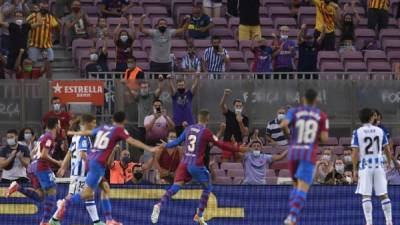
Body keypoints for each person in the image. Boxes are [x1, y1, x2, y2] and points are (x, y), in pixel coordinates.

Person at [51, 112, 157, 225]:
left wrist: (73, 132)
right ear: (124, 121)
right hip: (96, 164)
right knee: (86, 193)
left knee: (105, 188)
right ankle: (64, 204)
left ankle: (108, 220)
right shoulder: (118, 130)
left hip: (92, 163)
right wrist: (150, 149)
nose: (94, 124)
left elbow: (89, 133)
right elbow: (133, 141)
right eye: (93, 122)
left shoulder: (104, 128)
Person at [150, 109, 248, 225]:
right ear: (208, 119)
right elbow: (221, 145)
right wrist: (239, 149)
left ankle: (159, 204)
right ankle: (199, 215)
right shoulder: (206, 132)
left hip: (184, 164)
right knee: (208, 188)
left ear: (198, 118)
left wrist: (167, 144)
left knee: (176, 186)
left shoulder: (188, 128)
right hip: (196, 165)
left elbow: (177, 142)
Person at [280, 88, 329, 225]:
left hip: (294, 152)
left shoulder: (294, 111)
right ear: (316, 100)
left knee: (296, 186)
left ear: (303, 99)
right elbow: (325, 139)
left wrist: (290, 133)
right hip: (308, 153)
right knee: (303, 187)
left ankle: (292, 217)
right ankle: (292, 217)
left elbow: (283, 124)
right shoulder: (322, 116)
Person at [5, 118, 62, 225]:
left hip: (32, 167)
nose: (60, 126)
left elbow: (32, 154)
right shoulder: (49, 136)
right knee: (52, 191)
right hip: (42, 167)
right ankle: (45, 222)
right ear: (55, 126)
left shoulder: (42, 137)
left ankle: (17, 187)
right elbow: (44, 155)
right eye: (59, 124)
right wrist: (58, 163)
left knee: (40, 196)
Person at [351, 108, 395, 225]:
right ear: (371, 117)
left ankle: (369, 223)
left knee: (366, 195)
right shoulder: (380, 131)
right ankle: (389, 222)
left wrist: (354, 169)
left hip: (365, 166)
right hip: (379, 165)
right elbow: (387, 149)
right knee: (383, 194)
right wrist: (390, 162)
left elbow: (355, 152)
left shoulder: (357, 132)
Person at [219, 89, 249, 161]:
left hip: (238, 141)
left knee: (238, 160)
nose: (238, 107)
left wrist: (240, 122)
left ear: (242, 107)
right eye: (237, 106)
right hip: (227, 141)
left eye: (240, 106)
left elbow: (245, 132)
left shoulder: (245, 118)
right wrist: (225, 95)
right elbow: (222, 105)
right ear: (234, 106)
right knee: (225, 160)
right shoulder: (229, 114)